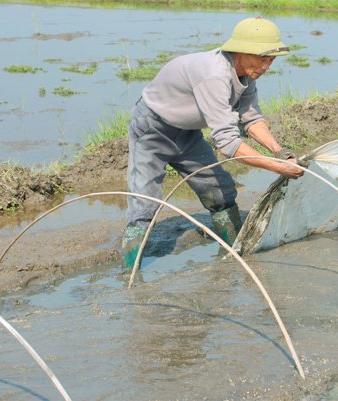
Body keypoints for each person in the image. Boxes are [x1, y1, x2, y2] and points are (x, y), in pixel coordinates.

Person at [122, 17, 306, 270]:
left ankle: (235, 256)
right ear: (241, 51)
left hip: (187, 133)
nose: (266, 66)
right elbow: (228, 143)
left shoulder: (247, 75)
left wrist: (279, 152)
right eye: (262, 58)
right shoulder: (214, 74)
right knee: (145, 203)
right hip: (152, 128)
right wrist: (276, 168)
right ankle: (129, 273)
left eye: (271, 59)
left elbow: (251, 119)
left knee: (220, 191)